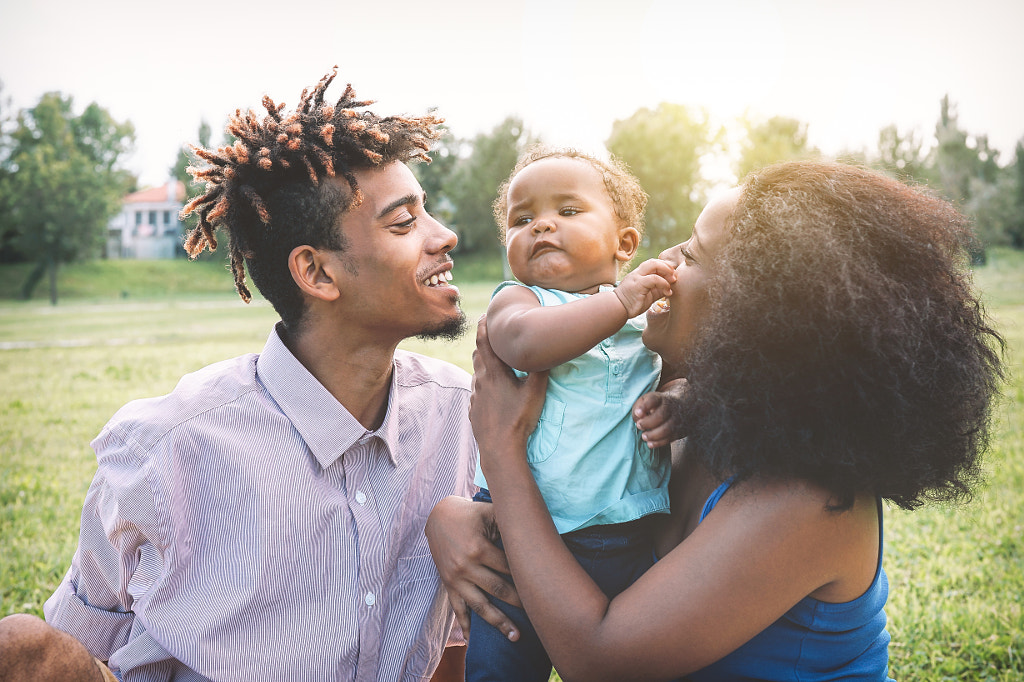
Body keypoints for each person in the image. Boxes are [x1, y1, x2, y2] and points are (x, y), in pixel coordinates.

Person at [428, 160, 1005, 681]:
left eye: (693, 253)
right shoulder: (683, 418)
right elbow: (580, 518)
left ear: (758, 313)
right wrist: (455, 517)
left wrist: (502, 452)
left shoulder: (807, 499)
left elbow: (601, 659)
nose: (667, 258)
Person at [0, 68, 477, 682]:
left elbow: (460, 642)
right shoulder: (165, 444)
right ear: (318, 273)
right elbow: (80, 647)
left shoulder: (461, 412)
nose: (446, 236)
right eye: (404, 222)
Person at [465, 147, 677, 681]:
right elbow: (521, 345)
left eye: (568, 211)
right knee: (500, 665)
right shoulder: (521, 300)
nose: (541, 225)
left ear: (624, 242)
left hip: (624, 531)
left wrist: (676, 404)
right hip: (520, 533)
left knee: (633, 664)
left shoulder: (648, 312)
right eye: (522, 219)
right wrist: (619, 304)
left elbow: (680, 369)